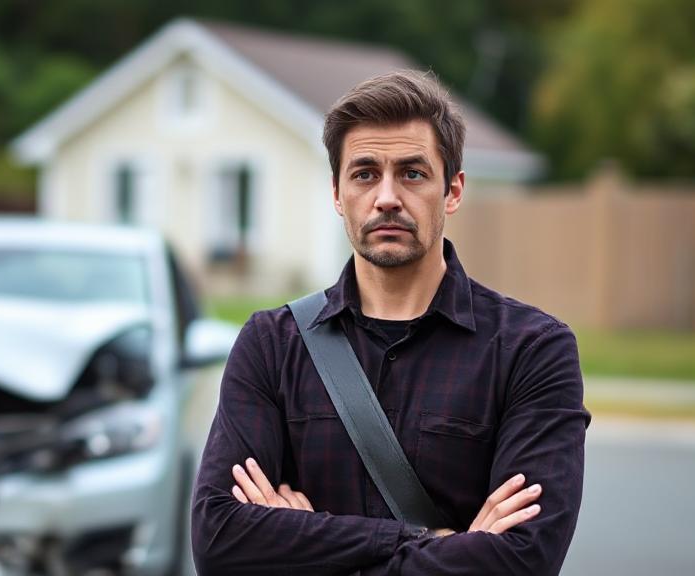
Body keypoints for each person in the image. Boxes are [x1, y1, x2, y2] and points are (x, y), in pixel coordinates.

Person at [190, 70, 589, 575]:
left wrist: (306, 546)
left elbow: (524, 561)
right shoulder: (271, 344)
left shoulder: (532, 350)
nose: (387, 197)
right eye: (364, 174)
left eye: (412, 173)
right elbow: (220, 542)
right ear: (337, 193)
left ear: (453, 191)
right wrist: (436, 542)